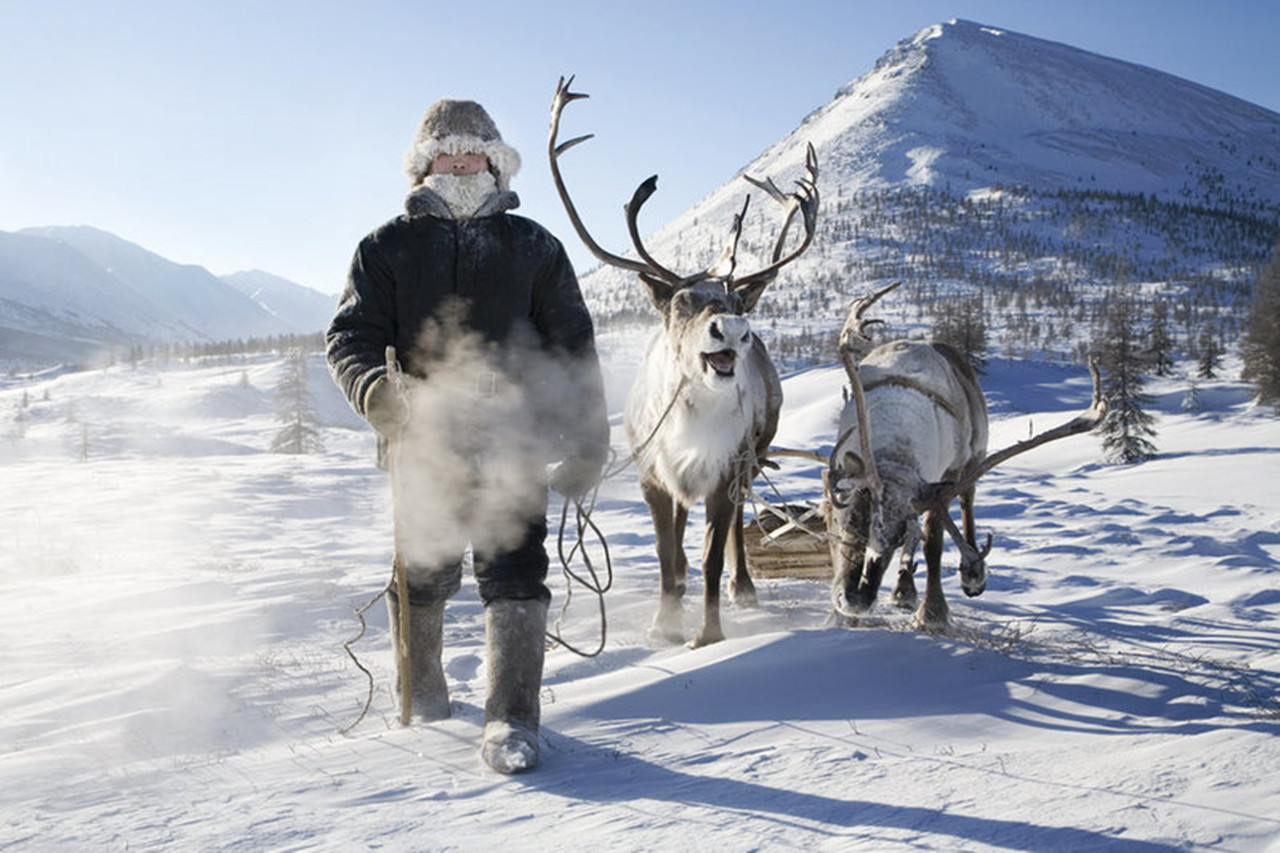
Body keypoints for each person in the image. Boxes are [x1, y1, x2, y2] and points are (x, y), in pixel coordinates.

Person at [326, 98, 609, 774]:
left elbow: (572, 345)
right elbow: (350, 337)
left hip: (515, 432)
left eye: (473, 151)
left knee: (514, 570)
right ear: (425, 164)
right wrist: (376, 395)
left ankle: (511, 719)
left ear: (495, 162)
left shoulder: (535, 247)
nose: (460, 162)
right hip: (422, 433)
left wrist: (588, 437)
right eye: (446, 152)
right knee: (421, 572)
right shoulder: (385, 247)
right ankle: (422, 701)